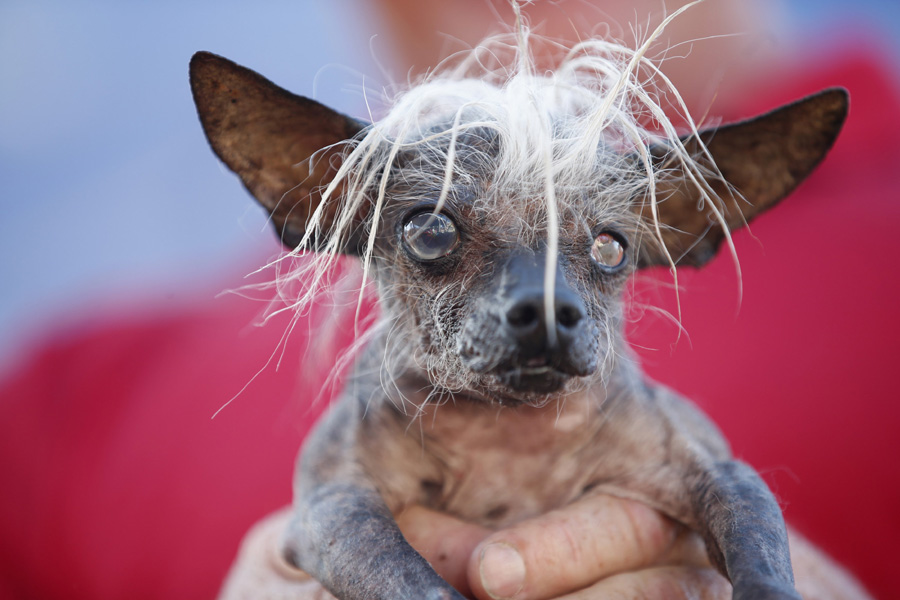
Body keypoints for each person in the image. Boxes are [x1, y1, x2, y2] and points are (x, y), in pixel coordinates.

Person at [0, 1, 894, 599]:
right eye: (436, 236)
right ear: (313, 192)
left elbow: (726, 490)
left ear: (690, 218)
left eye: (605, 246)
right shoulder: (74, 401)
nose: (542, 302)